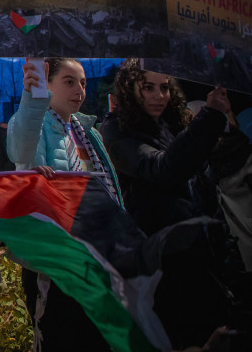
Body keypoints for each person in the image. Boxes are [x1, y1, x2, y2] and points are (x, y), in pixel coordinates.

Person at [99, 60, 233, 348]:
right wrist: (209, 118)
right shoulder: (118, 130)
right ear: (128, 89)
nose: (159, 95)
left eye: (164, 88)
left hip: (197, 253)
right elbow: (163, 169)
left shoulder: (171, 126)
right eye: (148, 87)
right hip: (161, 262)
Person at [7, 57, 122, 351]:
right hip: (57, 261)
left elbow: (110, 191)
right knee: (61, 336)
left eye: (82, 83)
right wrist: (34, 99)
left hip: (95, 257)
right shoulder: (34, 125)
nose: (79, 90)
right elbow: (21, 147)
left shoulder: (89, 132)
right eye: (69, 82)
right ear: (47, 84)